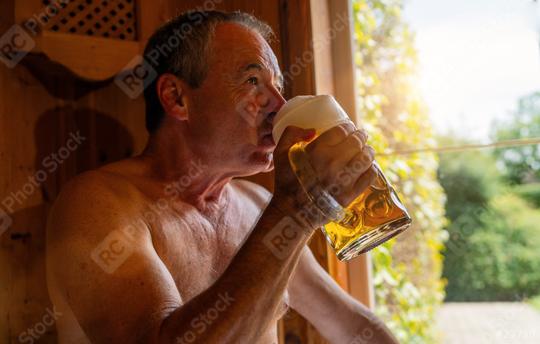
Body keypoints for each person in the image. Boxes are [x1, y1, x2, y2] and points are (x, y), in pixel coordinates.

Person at [46, 10, 399, 343]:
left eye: (277, 85)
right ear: (176, 98)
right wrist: (296, 211)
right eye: (252, 80)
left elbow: (351, 325)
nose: (279, 103)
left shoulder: (256, 204)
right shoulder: (98, 203)